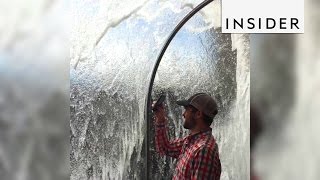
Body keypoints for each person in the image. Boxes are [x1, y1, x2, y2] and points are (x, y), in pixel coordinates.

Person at [153, 93, 221, 180]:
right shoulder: (191, 141)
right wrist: (160, 119)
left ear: (198, 114)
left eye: (187, 110)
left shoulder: (203, 151)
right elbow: (165, 148)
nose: (183, 114)